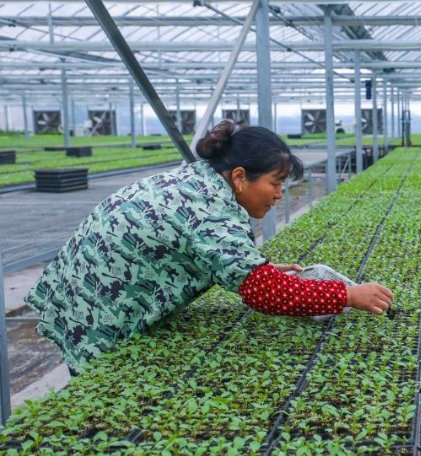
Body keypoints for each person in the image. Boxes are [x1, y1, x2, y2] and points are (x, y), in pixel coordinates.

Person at [25, 121, 393, 375]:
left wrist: (255, 266)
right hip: (99, 311)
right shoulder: (210, 210)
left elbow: (206, 254)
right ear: (239, 177)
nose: (281, 194)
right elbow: (264, 293)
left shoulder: (199, 178)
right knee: (98, 409)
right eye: (275, 183)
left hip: (81, 288)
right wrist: (349, 294)